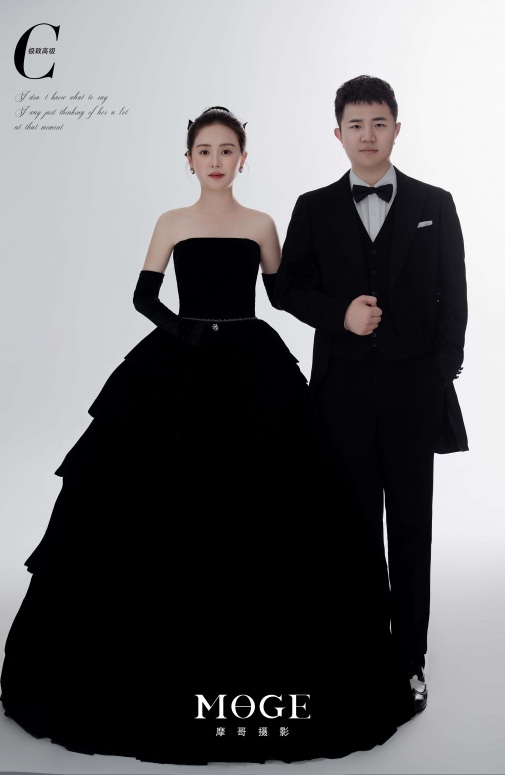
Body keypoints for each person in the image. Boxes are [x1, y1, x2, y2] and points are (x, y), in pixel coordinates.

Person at [1, 106, 415, 766]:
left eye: (227, 150)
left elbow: (281, 292)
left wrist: (341, 308)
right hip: (180, 360)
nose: (216, 160)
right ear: (189, 159)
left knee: (275, 499)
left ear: (243, 159)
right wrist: (186, 332)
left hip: (253, 363)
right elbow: (144, 297)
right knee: (153, 498)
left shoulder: (261, 224)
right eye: (204, 150)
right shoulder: (172, 221)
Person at [274, 76, 468, 715]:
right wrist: (340, 315)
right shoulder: (313, 207)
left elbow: (454, 296)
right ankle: (361, 654)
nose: (367, 135)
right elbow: (284, 288)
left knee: (412, 528)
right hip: (342, 393)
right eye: (355, 125)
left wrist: (439, 374)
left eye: (378, 122)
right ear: (338, 134)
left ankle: (409, 660)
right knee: (354, 526)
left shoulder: (435, 203)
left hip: (414, 391)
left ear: (396, 128)